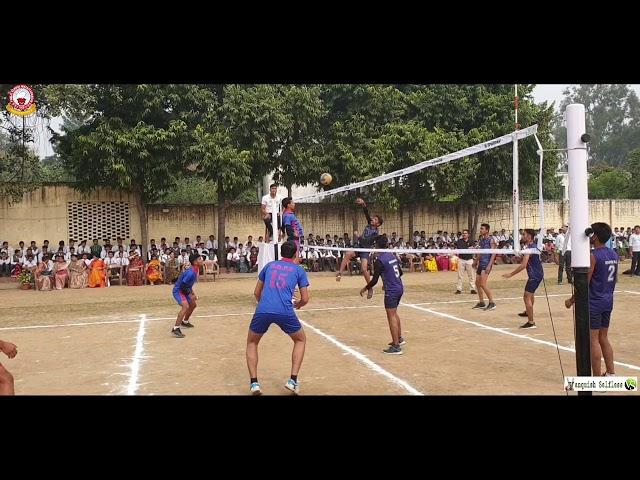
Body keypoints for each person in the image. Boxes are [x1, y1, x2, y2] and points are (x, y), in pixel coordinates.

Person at [246, 241, 309, 395]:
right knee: (300, 340)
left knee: (252, 342)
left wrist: (266, 305)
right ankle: (293, 380)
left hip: (263, 309)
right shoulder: (299, 270)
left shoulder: (269, 266)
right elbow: (305, 298)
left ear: (281, 253)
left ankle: (254, 384)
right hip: (285, 311)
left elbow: (256, 292)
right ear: (296, 254)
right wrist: (299, 304)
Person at [565, 222, 619, 376]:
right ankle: (610, 373)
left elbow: (584, 284)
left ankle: (597, 378)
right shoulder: (614, 254)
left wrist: (571, 300)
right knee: (604, 338)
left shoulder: (593, 256)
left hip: (595, 302)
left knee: (593, 340)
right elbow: (614, 280)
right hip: (608, 300)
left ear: (594, 236)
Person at [359, 236, 406, 355]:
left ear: (377, 245)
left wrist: (365, 288)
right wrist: (388, 282)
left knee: (391, 316)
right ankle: (399, 339)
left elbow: (374, 280)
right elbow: (400, 272)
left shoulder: (379, 260)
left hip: (392, 290)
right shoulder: (391, 255)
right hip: (399, 287)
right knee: (394, 313)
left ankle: (396, 347)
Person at [336, 198, 383, 299]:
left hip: (365, 250)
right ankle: (340, 273)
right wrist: (363, 204)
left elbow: (366, 241)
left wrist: (358, 236)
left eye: (375, 219)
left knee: (364, 269)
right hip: (359, 247)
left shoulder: (375, 233)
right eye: (373, 218)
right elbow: (366, 213)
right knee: (348, 253)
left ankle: (370, 288)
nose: (372, 220)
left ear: (378, 224)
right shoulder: (369, 224)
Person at [502, 229, 543, 329]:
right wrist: (520, 257)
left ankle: (531, 322)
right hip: (537, 274)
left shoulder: (530, 248)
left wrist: (510, 274)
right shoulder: (532, 247)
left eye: (524, 235)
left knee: (526, 296)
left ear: (529, 236)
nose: (522, 236)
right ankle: (528, 312)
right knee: (530, 294)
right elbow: (529, 260)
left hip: (534, 275)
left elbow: (524, 265)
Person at [171, 253, 204, 338]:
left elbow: (188, 284)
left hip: (184, 289)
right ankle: (176, 328)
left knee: (193, 305)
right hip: (178, 291)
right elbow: (183, 286)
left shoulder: (195, 269)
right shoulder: (191, 272)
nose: (202, 260)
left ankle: (185, 322)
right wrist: (190, 295)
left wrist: (192, 293)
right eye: (200, 259)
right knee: (185, 306)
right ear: (195, 262)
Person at [472, 223, 497, 311]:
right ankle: (481, 302)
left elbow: (493, 253)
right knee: (477, 283)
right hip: (481, 263)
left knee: (482, 284)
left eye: (482, 229)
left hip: (486, 264)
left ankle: (492, 302)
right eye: (481, 229)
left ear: (487, 230)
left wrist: (489, 265)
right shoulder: (482, 240)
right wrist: (475, 262)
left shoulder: (491, 240)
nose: (481, 230)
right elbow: (481, 252)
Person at [281, 197, 304, 262]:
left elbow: (283, 225)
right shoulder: (287, 215)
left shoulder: (290, 214)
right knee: (295, 258)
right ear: (288, 205)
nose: (294, 204)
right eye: (292, 203)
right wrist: (294, 236)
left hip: (295, 238)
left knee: (296, 257)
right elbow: (287, 227)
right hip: (294, 239)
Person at [455, 229, 477, 294]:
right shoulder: (459, 241)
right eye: (463, 233)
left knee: (471, 275)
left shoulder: (472, 241)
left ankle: (472, 289)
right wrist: (469, 248)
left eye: (465, 233)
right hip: (461, 259)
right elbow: (461, 248)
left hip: (469, 260)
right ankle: (459, 289)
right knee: (460, 275)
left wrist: (469, 248)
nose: (464, 234)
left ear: (468, 234)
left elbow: (473, 248)